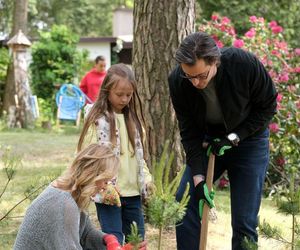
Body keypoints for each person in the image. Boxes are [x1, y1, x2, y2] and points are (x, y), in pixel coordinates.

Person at [168, 32, 277, 250]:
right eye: (190, 76)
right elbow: (189, 133)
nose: (196, 83)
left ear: (214, 61)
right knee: (185, 200)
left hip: (249, 141)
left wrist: (235, 137)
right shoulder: (178, 82)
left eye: (202, 75)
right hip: (210, 142)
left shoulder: (242, 64)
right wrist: (198, 179)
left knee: (244, 220)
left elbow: (268, 106)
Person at [13, 144, 146, 250]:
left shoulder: (71, 193)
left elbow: (85, 233)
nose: (105, 187)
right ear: (92, 175)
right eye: (105, 181)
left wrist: (109, 240)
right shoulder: (63, 203)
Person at [77, 63, 154, 245]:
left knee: (137, 240)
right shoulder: (97, 119)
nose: (125, 99)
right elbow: (88, 155)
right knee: (113, 241)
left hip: (133, 193)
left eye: (129, 95)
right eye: (119, 94)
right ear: (107, 90)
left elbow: (138, 156)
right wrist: (100, 182)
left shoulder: (133, 120)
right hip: (108, 194)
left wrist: (148, 179)